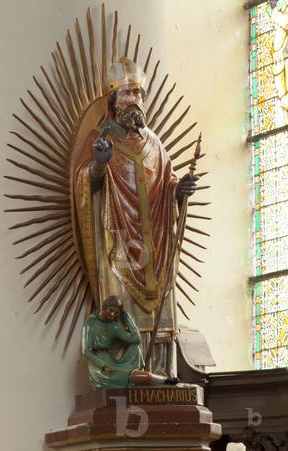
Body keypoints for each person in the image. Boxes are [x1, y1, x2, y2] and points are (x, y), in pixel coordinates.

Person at [73, 58, 198, 376]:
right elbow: (86, 185)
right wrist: (99, 166)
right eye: (128, 93)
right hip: (119, 246)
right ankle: (127, 379)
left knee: (159, 319)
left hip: (154, 247)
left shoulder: (155, 144)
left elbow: (166, 185)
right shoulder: (100, 140)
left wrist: (179, 191)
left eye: (139, 94)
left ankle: (159, 376)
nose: (135, 101)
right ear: (114, 101)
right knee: (122, 314)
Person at [83, 297, 173, 389]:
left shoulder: (114, 326)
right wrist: (103, 366)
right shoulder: (91, 322)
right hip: (100, 369)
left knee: (134, 347)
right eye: (111, 310)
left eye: (116, 313)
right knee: (140, 377)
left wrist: (125, 316)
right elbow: (86, 351)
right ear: (104, 307)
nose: (113, 314)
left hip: (114, 363)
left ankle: (165, 381)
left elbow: (136, 339)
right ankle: (165, 381)